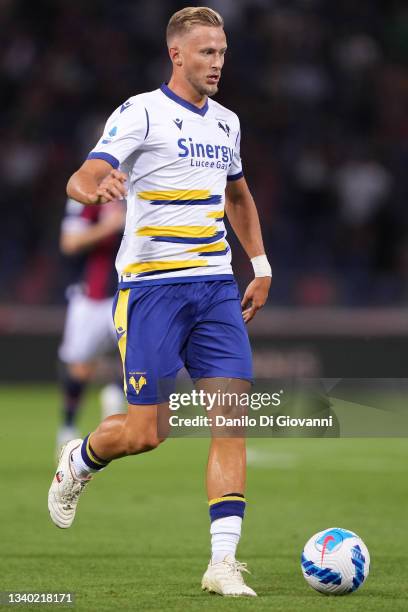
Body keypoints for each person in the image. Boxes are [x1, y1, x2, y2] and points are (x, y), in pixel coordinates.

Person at [48, 6, 272, 597]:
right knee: (148, 433)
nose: (217, 62)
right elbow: (83, 174)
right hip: (152, 291)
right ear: (177, 54)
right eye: (206, 52)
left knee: (231, 418)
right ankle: (81, 458)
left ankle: (222, 564)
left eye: (222, 52)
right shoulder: (141, 111)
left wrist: (261, 262)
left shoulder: (227, 123)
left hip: (216, 288)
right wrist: (95, 185)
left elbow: (239, 196)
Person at [57, 198, 126, 450]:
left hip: (131, 292)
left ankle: (116, 393)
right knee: (80, 367)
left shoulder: (144, 184)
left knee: (140, 355)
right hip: (91, 296)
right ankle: (68, 427)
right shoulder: (87, 195)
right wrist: (109, 226)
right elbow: (70, 242)